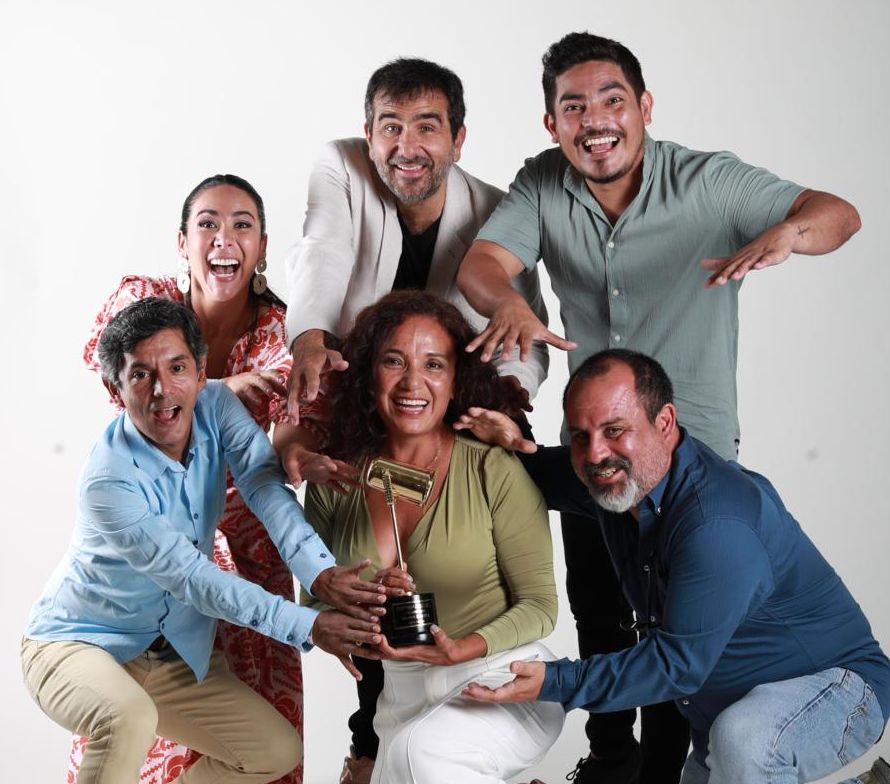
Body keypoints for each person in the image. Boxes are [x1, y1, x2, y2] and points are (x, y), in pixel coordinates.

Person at [456, 31, 862, 783]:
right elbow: (483, 263)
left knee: (684, 630)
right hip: (594, 446)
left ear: (644, 106)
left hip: (687, 447)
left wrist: (789, 233)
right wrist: (508, 303)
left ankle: (671, 768)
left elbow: (837, 212)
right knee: (604, 613)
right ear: (553, 123)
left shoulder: (709, 182)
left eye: (612, 100)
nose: (595, 120)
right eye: (573, 107)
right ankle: (613, 763)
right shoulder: (544, 182)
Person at [462, 349, 890, 784]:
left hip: (834, 693)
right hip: (726, 722)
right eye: (580, 436)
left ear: (664, 423)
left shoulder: (716, 523)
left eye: (614, 430)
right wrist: (512, 442)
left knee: (743, 742)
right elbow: (546, 478)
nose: (595, 454)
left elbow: (676, 664)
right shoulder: (623, 479)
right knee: (736, 739)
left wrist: (555, 681)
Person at [22, 297, 388, 784]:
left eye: (176, 367)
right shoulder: (108, 481)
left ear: (199, 371)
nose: (161, 390)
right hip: (76, 645)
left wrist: (319, 572)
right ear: (116, 388)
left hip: (167, 652)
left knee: (273, 751)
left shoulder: (215, 403)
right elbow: (193, 579)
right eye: (140, 375)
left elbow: (262, 483)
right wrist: (310, 626)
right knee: (127, 719)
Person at [73, 174, 335, 784]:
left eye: (242, 224)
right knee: (138, 738)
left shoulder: (285, 334)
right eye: (209, 223)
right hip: (152, 553)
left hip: (250, 557)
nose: (225, 237)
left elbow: (300, 421)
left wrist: (297, 453)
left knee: (260, 749)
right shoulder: (141, 303)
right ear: (182, 241)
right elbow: (109, 363)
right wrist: (217, 391)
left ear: (263, 245)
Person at [302, 291, 565, 784]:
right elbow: (312, 599)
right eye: (393, 361)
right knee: (410, 756)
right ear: (368, 372)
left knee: (421, 758)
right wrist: (359, 620)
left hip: (500, 679)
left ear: (455, 379)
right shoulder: (336, 480)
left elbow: (541, 606)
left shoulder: (492, 469)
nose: (412, 383)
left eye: (434, 365)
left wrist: (463, 648)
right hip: (402, 697)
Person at [283, 56, 548, 431]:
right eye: (391, 127)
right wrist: (309, 341)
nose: (407, 148)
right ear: (369, 135)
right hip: (360, 394)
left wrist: (504, 399)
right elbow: (324, 250)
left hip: (460, 407)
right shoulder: (340, 163)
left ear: (458, 140)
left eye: (427, 128)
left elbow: (523, 337)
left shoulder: (494, 210)